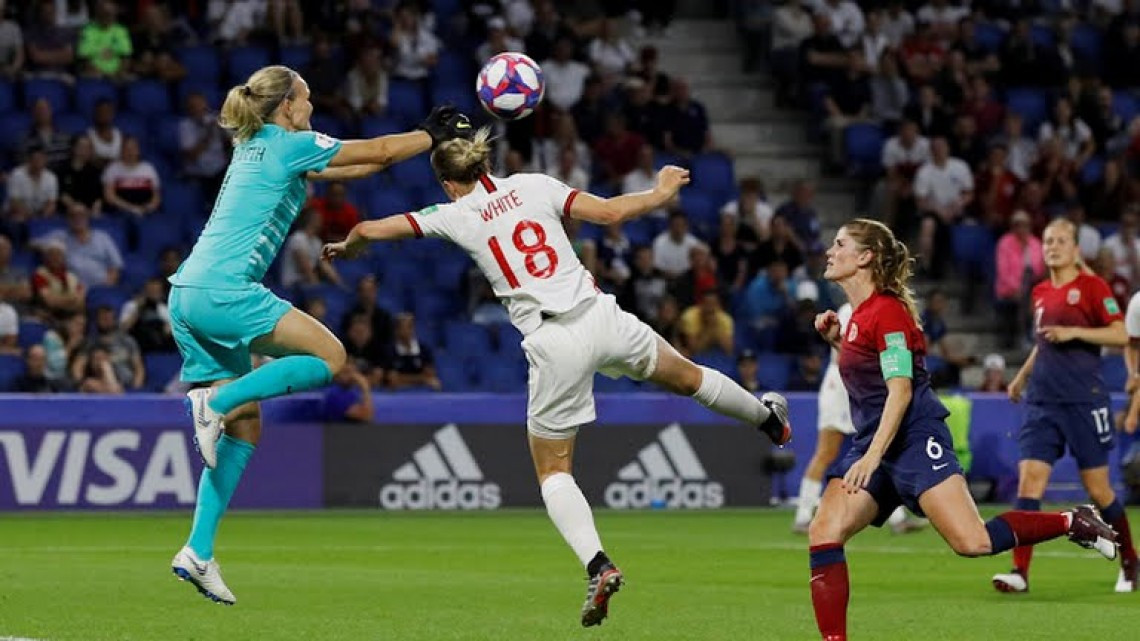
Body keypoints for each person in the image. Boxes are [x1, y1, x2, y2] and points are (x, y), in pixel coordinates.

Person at [323, 128, 792, 628]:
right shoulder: (534, 184)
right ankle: (769, 421)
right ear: (483, 165)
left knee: (554, 470)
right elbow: (611, 214)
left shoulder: (454, 214)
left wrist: (349, 245)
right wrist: (659, 191)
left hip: (554, 341)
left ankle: (598, 564)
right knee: (690, 377)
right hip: (601, 316)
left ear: (447, 183)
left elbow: (372, 228)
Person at [166, 64, 473, 606]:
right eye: (305, 99)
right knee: (332, 355)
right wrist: (433, 134)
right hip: (225, 292)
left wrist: (416, 148)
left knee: (246, 430)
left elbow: (355, 169)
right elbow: (376, 152)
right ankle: (216, 401)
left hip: (187, 295)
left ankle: (198, 550)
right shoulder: (290, 143)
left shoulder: (256, 143)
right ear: (287, 106)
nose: (311, 108)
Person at [808, 218, 1118, 641]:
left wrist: (873, 456)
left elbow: (899, 393)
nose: (830, 250)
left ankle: (1072, 521)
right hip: (877, 443)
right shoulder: (860, 317)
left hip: (914, 440)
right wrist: (839, 343)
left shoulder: (889, 313)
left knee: (973, 542)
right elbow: (876, 377)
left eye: (840, 243)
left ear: (865, 257)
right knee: (825, 530)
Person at [992, 218, 1137, 595]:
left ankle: (1130, 562)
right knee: (1029, 482)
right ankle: (1019, 573)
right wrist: (1022, 376)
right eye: (1048, 241)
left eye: (1061, 241)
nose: (1053, 246)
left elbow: (1120, 333)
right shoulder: (1040, 291)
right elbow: (1044, 343)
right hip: (1042, 401)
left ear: (1076, 248)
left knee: (1099, 490)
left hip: (1083, 401)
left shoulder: (1092, 287)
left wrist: (1076, 332)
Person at [792, 301, 924, 535]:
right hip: (841, 385)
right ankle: (803, 515)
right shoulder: (849, 310)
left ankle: (897, 518)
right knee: (827, 451)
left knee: (883, 447)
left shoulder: (880, 309)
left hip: (863, 383)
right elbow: (848, 352)